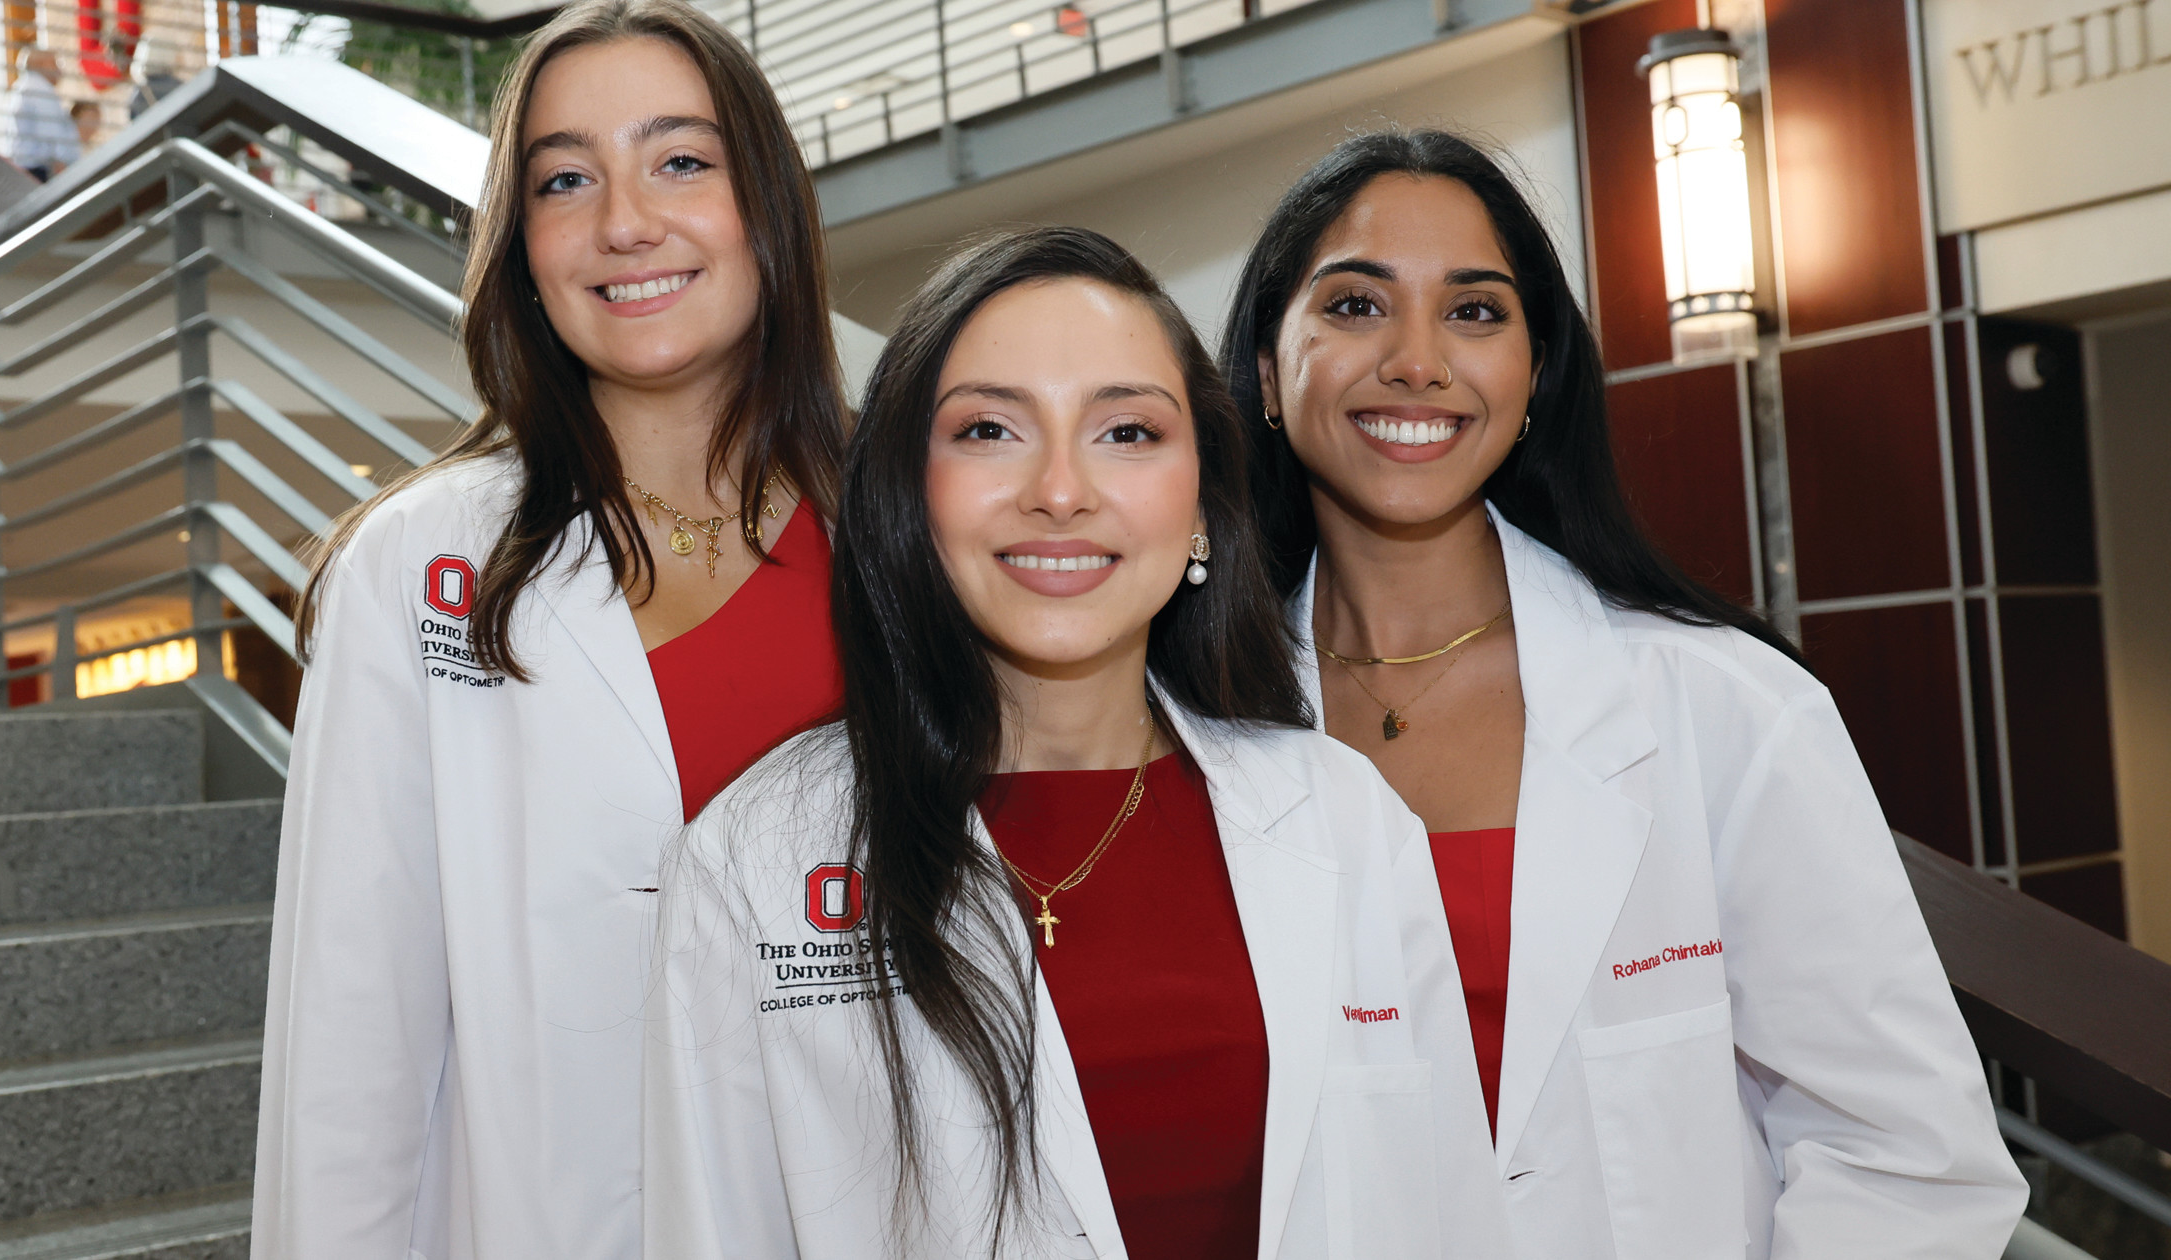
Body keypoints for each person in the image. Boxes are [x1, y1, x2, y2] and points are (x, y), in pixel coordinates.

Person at [1222, 129, 2028, 1258]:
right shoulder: (1188, 731)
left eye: (1474, 311)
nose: (1415, 360)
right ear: (1264, 368)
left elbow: (1904, 1154)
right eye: (1354, 306)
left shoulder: (1724, 707)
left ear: (1536, 372)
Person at [642, 227, 1516, 1260]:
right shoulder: (757, 858)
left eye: (1127, 433)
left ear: (1200, 502)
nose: (1059, 491)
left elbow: (1449, 1220)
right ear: (908, 498)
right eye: (987, 432)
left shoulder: (1340, 815)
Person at [251, 0, 848, 1256]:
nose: (625, 221)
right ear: (520, 245)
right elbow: (355, 1032)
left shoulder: (896, 538)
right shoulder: (424, 564)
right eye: (564, 180)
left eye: (680, 161)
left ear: (769, 210)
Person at [5, 47, 79, 181]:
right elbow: (51, 134)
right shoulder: (40, 89)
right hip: (37, 171)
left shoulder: (22, 88)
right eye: (55, 63)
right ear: (41, 64)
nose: (59, 69)